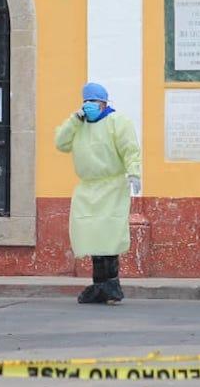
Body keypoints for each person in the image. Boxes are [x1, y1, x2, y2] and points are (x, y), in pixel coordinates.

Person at [55, 83, 141, 304]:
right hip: (87, 188)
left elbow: (130, 149)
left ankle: (111, 285)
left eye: (94, 102)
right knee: (91, 235)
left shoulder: (118, 122)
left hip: (111, 187)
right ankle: (99, 285)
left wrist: (134, 173)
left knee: (109, 236)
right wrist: (74, 120)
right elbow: (61, 143)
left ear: (104, 103)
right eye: (86, 101)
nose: (89, 105)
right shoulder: (79, 125)